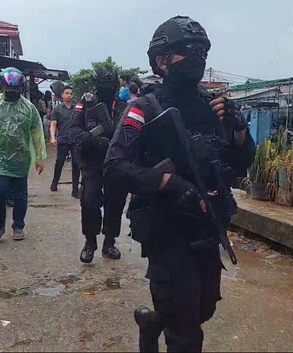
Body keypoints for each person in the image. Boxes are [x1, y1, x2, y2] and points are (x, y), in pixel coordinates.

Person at [103, 16, 255, 352]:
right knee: (185, 332)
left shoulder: (212, 108)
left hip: (208, 227)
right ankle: (165, 327)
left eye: (202, 51)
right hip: (167, 230)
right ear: (161, 60)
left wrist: (240, 131)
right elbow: (114, 168)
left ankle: (153, 324)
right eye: (188, 50)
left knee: (203, 309)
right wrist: (168, 182)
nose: (197, 58)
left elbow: (240, 165)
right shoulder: (143, 108)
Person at [0, 67, 46, 245]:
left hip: (21, 157)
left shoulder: (28, 108)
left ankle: (18, 226)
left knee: (20, 194)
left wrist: (39, 155)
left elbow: (37, 131)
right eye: (9, 91)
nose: (12, 94)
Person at [70, 66, 128, 263]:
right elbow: (74, 129)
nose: (107, 89)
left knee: (115, 204)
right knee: (89, 202)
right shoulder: (86, 104)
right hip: (92, 162)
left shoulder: (122, 106)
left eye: (110, 85)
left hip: (115, 162)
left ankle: (109, 242)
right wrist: (91, 139)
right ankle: (90, 242)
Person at [49, 86, 80, 198]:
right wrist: (53, 137)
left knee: (76, 163)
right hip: (63, 139)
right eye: (66, 93)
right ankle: (54, 183)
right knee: (60, 162)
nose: (69, 95)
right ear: (62, 95)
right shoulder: (57, 109)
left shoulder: (76, 109)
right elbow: (53, 124)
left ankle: (75, 190)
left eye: (70, 93)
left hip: (75, 140)